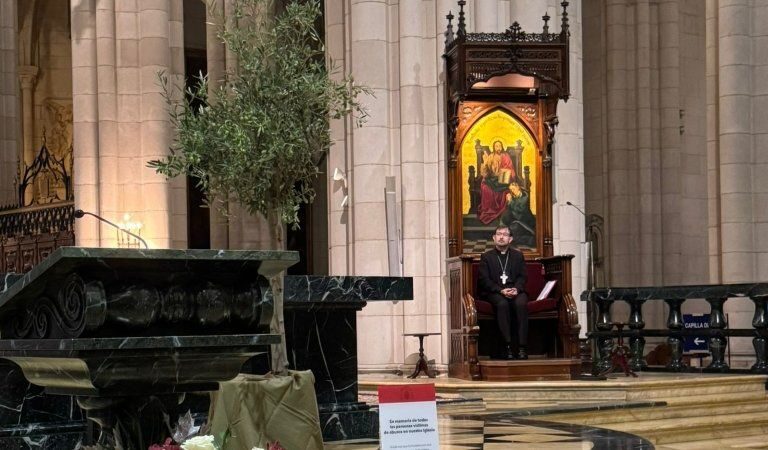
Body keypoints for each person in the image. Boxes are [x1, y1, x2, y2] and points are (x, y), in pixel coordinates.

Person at [476, 225, 529, 359]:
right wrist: (501, 290)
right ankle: (508, 346)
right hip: (495, 291)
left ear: (510, 239)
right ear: (494, 238)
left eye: (504, 234)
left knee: (521, 304)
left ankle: (522, 347)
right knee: (502, 304)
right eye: (498, 234)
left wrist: (516, 289)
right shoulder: (486, 257)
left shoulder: (518, 255)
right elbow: (484, 280)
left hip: (515, 290)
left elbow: (522, 277)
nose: (501, 237)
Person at [477, 140, 516, 224]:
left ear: (502, 147)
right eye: (496, 146)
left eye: (499, 146)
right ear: (494, 147)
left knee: (503, 188)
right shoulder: (491, 156)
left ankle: (499, 211)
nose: (498, 148)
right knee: (484, 186)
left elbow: (510, 168)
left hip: (503, 179)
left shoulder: (506, 156)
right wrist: (485, 161)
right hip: (492, 178)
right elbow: (486, 171)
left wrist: (502, 173)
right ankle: (489, 209)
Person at [500, 182, 536, 248]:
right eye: (511, 190)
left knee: (514, 227)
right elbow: (510, 208)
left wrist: (511, 201)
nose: (512, 191)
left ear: (518, 188)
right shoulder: (513, 196)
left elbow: (520, 209)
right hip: (516, 216)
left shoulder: (525, 196)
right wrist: (508, 201)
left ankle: (514, 240)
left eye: (513, 189)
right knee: (505, 216)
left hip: (524, 219)